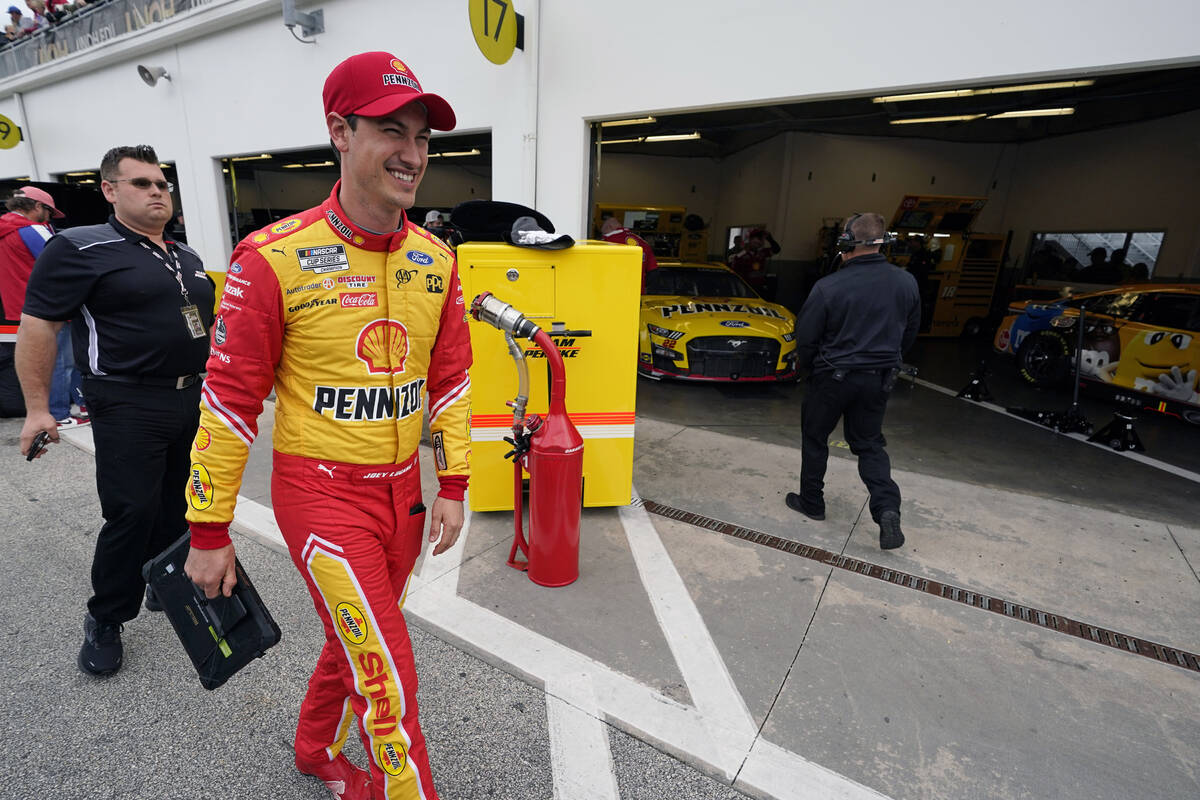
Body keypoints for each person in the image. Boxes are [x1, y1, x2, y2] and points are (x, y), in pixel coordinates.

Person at [182, 51, 471, 800]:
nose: (413, 154)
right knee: (390, 678)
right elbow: (229, 399)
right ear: (340, 131)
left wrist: (455, 482)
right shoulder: (270, 258)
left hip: (404, 495)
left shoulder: (438, 259)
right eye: (392, 131)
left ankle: (314, 750)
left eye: (423, 137)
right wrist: (209, 530)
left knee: (358, 647)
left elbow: (453, 380)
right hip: (322, 498)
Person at [16, 145, 214, 676]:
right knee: (131, 511)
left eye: (162, 184)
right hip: (126, 399)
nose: (157, 192)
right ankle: (106, 617)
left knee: (182, 503)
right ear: (110, 190)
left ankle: (164, 580)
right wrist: (38, 408)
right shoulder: (79, 247)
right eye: (142, 183)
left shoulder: (186, 256)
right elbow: (39, 326)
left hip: (190, 396)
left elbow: (206, 328)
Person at [786, 212, 919, 550]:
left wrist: (811, 371)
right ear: (882, 242)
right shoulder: (907, 283)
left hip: (833, 377)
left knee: (815, 437)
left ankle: (812, 502)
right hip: (879, 379)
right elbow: (911, 333)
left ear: (845, 243)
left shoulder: (829, 286)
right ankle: (887, 507)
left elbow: (805, 337)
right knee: (870, 445)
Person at [0, 186, 83, 426]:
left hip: (20, 308)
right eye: (48, 212)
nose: (49, 219)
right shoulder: (33, 230)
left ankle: (53, 410)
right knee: (59, 363)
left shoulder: (6, 230)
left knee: (40, 363)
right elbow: (65, 261)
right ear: (37, 207)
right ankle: (60, 413)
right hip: (52, 307)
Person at [600, 216, 657, 290]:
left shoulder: (605, 242)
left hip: (611, 290)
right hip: (636, 293)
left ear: (609, 227)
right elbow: (653, 272)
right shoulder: (643, 242)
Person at [728, 227, 780, 297]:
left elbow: (777, 249)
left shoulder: (762, 253)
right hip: (745, 289)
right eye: (756, 240)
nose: (758, 243)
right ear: (750, 240)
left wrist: (770, 239)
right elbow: (734, 274)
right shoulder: (741, 256)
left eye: (760, 240)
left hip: (759, 288)